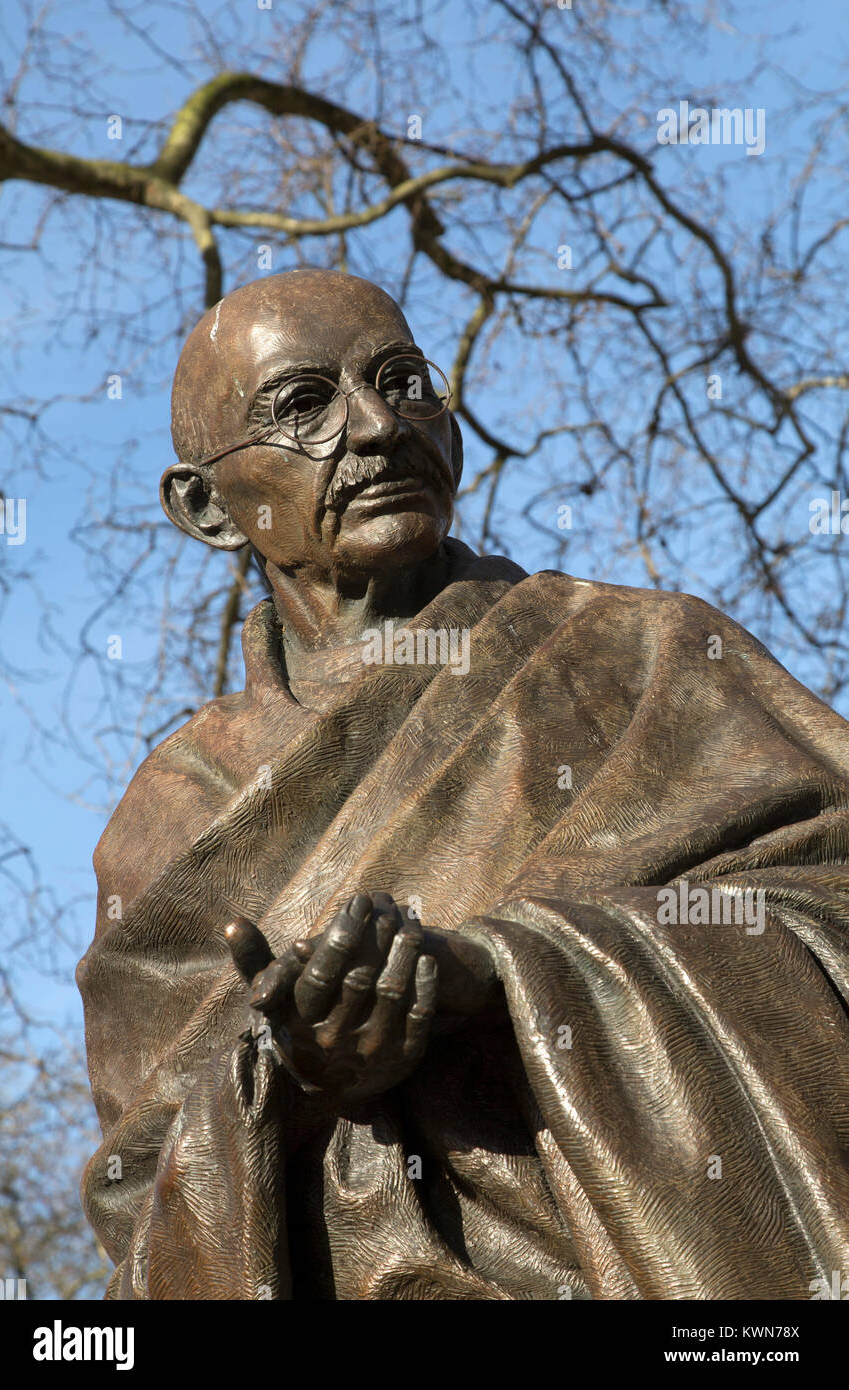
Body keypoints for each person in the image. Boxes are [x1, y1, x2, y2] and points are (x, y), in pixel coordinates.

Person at [78, 268, 849, 1300]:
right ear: (207, 506)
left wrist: (496, 977)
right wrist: (287, 1084)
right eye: (302, 404)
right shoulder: (167, 822)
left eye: (403, 383)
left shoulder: (644, 656)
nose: (375, 426)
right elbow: (143, 1209)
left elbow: (826, 909)